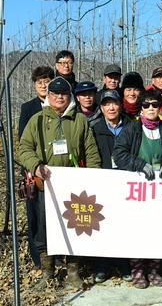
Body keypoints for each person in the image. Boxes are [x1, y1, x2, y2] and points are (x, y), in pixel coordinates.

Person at [19, 76, 101, 291]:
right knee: (45, 228)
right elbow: (24, 148)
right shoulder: (37, 120)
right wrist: (35, 165)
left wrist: (93, 177)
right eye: (54, 94)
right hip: (46, 185)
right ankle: (47, 272)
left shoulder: (80, 120)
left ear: (69, 96)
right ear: (48, 96)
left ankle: (73, 272)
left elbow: (90, 150)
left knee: (76, 227)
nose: (59, 97)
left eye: (63, 93)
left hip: (74, 186)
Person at [113, 90, 162, 289]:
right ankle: (138, 270)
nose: (150, 108)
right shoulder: (132, 129)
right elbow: (119, 153)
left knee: (159, 229)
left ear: (159, 107)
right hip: (137, 190)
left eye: (154, 105)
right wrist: (138, 163)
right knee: (136, 230)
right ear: (140, 108)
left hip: (159, 190)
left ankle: (155, 270)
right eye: (146, 105)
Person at [90, 89, 132, 283]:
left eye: (114, 103)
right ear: (101, 108)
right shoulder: (95, 129)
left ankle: (125, 264)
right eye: (107, 104)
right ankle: (103, 266)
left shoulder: (132, 127)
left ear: (120, 105)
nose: (111, 107)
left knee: (124, 224)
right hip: (104, 182)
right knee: (104, 224)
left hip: (128, 182)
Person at [18, 66, 54, 271]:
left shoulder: (61, 104)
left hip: (56, 170)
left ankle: (56, 255)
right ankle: (38, 257)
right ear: (34, 85)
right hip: (35, 170)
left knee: (54, 214)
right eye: (39, 82)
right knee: (35, 215)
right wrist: (34, 164)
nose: (43, 85)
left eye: (46, 81)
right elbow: (24, 140)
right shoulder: (28, 107)